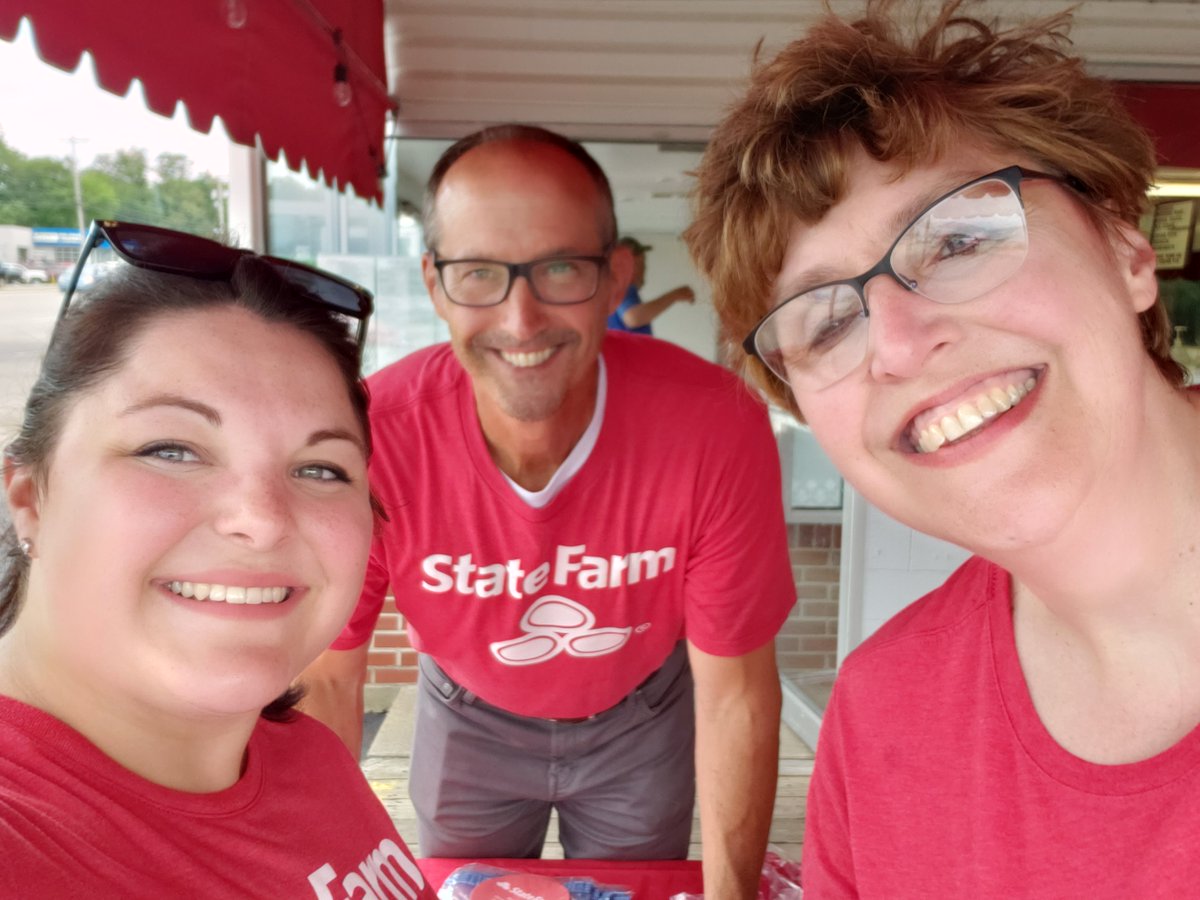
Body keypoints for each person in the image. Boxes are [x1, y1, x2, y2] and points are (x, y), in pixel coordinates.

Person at [687, 0, 1200, 895]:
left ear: (1124, 244)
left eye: (958, 238)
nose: (897, 343)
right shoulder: (885, 714)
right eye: (825, 319)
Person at [298, 125, 795, 899]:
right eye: (479, 274)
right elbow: (328, 675)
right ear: (434, 284)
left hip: (642, 715)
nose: (521, 320)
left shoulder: (713, 423)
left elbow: (736, 691)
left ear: (614, 277)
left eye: (561, 268)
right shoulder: (372, 435)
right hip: (467, 717)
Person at [0, 221, 433, 899]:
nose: (261, 520)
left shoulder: (303, 750)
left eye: (321, 468)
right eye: (170, 449)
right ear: (29, 495)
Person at [605, 236, 695, 335]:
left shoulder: (612, 290)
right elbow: (633, 318)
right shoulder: (622, 287)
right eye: (641, 263)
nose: (644, 269)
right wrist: (675, 295)